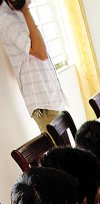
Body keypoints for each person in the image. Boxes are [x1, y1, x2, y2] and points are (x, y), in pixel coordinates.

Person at [0, 0, 67, 130]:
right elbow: (41, 53)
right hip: (43, 103)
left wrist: (24, 10)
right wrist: (25, 9)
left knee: (67, 143)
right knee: (58, 144)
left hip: (50, 98)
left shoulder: (17, 14)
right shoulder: (6, 19)